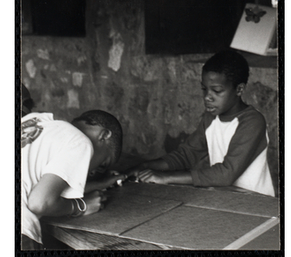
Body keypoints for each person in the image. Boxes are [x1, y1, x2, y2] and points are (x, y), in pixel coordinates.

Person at [126, 50, 275, 197]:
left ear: (239, 89)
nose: (207, 97)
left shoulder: (252, 122)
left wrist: (166, 178)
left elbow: (226, 173)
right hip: (229, 198)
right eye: (204, 89)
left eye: (216, 90)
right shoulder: (211, 118)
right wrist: (146, 166)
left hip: (256, 201)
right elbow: (187, 155)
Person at [21, 108, 125, 250]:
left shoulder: (37, 121)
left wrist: (99, 184)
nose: (93, 172)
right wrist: (81, 206)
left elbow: (38, 183)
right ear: (104, 135)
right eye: (102, 165)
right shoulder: (81, 142)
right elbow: (39, 203)